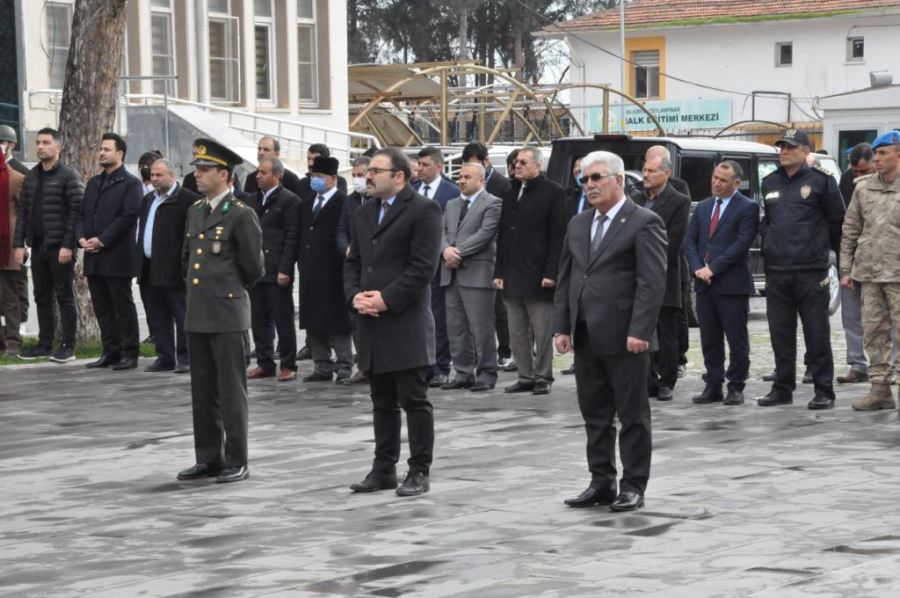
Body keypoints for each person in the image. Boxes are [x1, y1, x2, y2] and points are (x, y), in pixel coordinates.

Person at [553, 150, 667, 512]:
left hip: (625, 336)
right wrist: (562, 325)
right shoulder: (578, 223)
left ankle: (634, 484)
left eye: (597, 177)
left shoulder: (644, 221)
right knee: (595, 414)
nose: (589, 185)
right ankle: (601, 480)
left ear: (618, 180)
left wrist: (641, 330)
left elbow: (651, 282)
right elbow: (568, 277)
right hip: (587, 334)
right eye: (584, 179)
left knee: (632, 415)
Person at [344, 147, 442, 497]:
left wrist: (386, 299)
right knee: (380, 399)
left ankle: (419, 471)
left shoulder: (424, 210)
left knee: (414, 400)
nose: (367, 176)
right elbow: (354, 262)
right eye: (367, 171)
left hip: (405, 321)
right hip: (370, 319)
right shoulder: (364, 212)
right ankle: (383, 468)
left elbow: (422, 268)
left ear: (398, 176)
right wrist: (355, 296)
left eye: (375, 171)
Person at [176, 138, 264, 485]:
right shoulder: (195, 210)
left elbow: (253, 268)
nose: (198, 174)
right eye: (196, 168)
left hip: (227, 313)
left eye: (205, 169)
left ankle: (236, 459)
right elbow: (187, 259)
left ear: (224, 175)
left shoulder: (241, 214)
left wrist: (226, 291)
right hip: (198, 312)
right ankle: (208, 457)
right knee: (203, 391)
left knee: (231, 392)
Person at [758, 129, 845, 409]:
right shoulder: (769, 181)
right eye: (782, 146)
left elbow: (837, 222)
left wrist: (827, 256)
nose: (784, 151)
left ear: (806, 151)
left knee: (816, 333)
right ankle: (783, 387)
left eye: (791, 147)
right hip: (778, 270)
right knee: (780, 334)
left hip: (810, 270)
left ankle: (823, 390)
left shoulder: (822, 182)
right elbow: (769, 222)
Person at [684, 161, 759, 405]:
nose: (716, 183)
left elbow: (741, 244)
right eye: (715, 177)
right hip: (704, 285)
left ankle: (736, 385)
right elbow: (691, 240)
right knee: (709, 338)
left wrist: (713, 268)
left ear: (736, 183)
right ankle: (712, 384)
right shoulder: (704, 207)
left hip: (732, 284)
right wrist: (697, 268)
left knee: (736, 338)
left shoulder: (747, 208)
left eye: (723, 180)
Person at [494, 146, 566, 395]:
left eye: (523, 162)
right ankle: (525, 375)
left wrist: (551, 272)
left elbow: (558, 237)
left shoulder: (553, 192)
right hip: (513, 274)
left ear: (538, 165)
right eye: (516, 162)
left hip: (539, 275)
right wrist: (499, 271)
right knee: (516, 331)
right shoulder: (511, 192)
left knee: (542, 330)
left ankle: (543, 376)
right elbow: (504, 235)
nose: (518, 166)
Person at [840, 131, 900, 410]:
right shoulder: (863, 188)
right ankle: (880, 390)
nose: (877, 158)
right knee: (874, 332)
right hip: (871, 274)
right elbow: (850, 229)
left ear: (898, 154)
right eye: (875, 153)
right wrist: (845, 268)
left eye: (883, 153)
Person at [13, 127, 82, 362]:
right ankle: (44, 343)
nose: (40, 146)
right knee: (41, 296)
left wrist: (68, 245)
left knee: (64, 296)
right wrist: (19, 244)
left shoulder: (69, 176)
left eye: (46, 142)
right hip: (38, 246)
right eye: (38, 143)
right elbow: (23, 213)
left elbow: (76, 212)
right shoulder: (31, 177)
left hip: (60, 248)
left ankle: (68, 346)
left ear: (58, 147)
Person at [77, 133, 143, 370]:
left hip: (117, 256)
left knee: (122, 306)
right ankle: (110, 351)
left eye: (106, 149)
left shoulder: (131, 184)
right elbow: (83, 214)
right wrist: (81, 237)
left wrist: (102, 240)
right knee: (102, 308)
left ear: (120, 154)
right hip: (93, 256)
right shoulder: (94, 183)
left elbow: (127, 217)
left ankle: (129, 352)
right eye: (100, 149)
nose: (101, 153)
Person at [439, 162, 502, 392]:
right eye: (460, 177)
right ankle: (463, 372)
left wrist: (458, 252)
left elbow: (485, 233)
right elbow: (442, 232)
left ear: (481, 181)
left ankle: (486, 373)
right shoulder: (451, 204)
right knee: (456, 327)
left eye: (467, 177)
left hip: (477, 273)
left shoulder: (493, 203)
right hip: (451, 272)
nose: (461, 181)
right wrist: (446, 250)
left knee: (481, 327)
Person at [634, 153, 690, 401]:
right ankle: (646, 379)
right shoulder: (636, 199)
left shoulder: (678, 201)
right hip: (636, 276)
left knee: (666, 330)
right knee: (643, 329)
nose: (645, 175)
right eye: (644, 170)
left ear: (666, 174)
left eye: (651, 171)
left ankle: (667, 380)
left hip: (664, 275)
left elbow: (673, 242)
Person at [137, 158, 199, 373]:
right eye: (152, 175)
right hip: (149, 267)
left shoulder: (188, 200)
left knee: (182, 315)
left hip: (174, 270)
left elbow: (190, 238)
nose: (154, 179)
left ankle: (186, 358)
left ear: (172, 176)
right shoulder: (147, 200)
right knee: (157, 315)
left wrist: (185, 268)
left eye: (159, 175)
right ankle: (164, 356)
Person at [243, 157, 301, 382]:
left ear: (278, 176)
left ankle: (288, 363)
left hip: (277, 269)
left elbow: (292, 237)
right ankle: (265, 362)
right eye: (258, 172)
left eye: (264, 172)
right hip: (257, 269)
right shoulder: (252, 200)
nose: (258, 176)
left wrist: (285, 269)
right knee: (258, 318)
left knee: (282, 318)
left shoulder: (289, 201)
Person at [299, 156, 353, 382]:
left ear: (332, 178)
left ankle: (344, 365)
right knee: (313, 319)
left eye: (319, 177)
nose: (315, 181)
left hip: (333, 270)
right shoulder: (307, 202)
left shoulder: (343, 202)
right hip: (310, 270)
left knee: (338, 321)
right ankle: (321, 365)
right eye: (313, 177)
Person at [416, 146, 459, 387]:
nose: (419, 169)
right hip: (416, 263)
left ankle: (440, 366)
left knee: (438, 316)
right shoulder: (412, 190)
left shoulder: (451, 192)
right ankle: (421, 364)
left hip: (440, 262)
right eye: (418, 164)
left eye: (425, 165)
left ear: (439, 167)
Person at [835, 142, 875, 384]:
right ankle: (857, 363)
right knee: (851, 316)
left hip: (883, 262)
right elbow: (843, 223)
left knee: (886, 319)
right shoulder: (847, 180)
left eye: (864, 171)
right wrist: (844, 265)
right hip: (853, 257)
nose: (858, 177)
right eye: (855, 172)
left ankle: (890, 366)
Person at [336, 156, 372, 385]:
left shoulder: (379, 201)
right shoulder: (350, 201)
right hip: (354, 266)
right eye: (355, 175)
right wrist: (346, 248)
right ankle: (364, 366)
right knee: (356, 319)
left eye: (363, 174)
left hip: (374, 268)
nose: (359, 179)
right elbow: (341, 229)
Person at [0, 126, 29, 328]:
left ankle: (17, 329)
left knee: (16, 287)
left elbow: (26, 210)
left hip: (14, 241)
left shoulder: (20, 171)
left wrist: (24, 242)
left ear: (11, 144)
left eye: (2, 142)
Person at [0, 149, 23, 355]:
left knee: (9, 297)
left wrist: (21, 244)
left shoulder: (15, 178)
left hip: (7, 247)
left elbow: (25, 212)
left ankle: (13, 342)